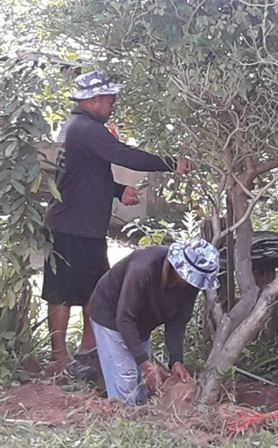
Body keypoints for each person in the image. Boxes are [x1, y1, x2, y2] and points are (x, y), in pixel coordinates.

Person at [42, 69, 193, 375]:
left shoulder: (80, 128)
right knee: (61, 291)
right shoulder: (85, 128)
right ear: (94, 99)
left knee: (93, 289)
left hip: (84, 226)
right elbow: (123, 155)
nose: (113, 104)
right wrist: (169, 163)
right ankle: (58, 359)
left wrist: (117, 190)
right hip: (70, 226)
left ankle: (88, 350)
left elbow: (82, 174)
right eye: (110, 99)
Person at [88, 237, 220, 404]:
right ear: (178, 267)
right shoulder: (143, 269)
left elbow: (177, 322)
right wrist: (145, 363)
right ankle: (120, 420)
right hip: (111, 315)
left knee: (142, 388)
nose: (193, 284)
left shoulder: (190, 286)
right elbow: (125, 318)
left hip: (141, 323)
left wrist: (176, 360)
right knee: (126, 385)